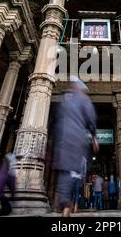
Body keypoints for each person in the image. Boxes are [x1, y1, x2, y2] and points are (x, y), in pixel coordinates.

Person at [51, 75, 99, 217]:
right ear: (82, 88)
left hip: (63, 139)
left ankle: (65, 202)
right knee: (75, 170)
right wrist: (94, 137)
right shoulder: (84, 99)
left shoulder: (66, 99)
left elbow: (56, 117)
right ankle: (67, 203)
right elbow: (90, 119)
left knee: (65, 171)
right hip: (77, 139)